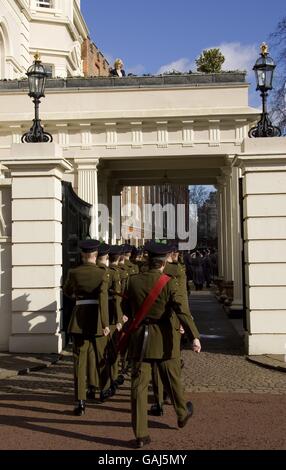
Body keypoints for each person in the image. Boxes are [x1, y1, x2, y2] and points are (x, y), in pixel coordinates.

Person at [123, 241, 201, 448]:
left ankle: (140, 434)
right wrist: (194, 336)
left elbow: (126, 309)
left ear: (148, 259)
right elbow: (182, 310)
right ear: (165, 260)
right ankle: (182, 413)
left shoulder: (133, 281)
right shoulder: (169, 282)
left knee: (138, 387)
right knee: (172, 379)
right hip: (166, 338)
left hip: (140, 338)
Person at [63, 239, 110, 416]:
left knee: (79, 362)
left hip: (79, 316)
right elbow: (103, 299)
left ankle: (80, 400)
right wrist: (105, 323)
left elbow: (67, 291)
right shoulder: (101, 272)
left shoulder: (74, 272)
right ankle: (103, 390)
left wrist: (76, 294)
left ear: (82, 254)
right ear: (96, 255)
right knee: (101, 357)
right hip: (97, 318)